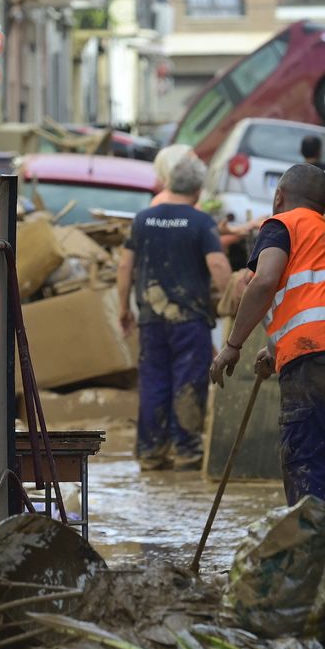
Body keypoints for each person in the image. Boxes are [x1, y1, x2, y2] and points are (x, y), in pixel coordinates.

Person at [210, 163, 325, 505]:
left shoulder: (281, 224)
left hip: (317, 355)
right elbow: (316, 300)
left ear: (278, 197)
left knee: (308, 461)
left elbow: (265, 281)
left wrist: (232, 345)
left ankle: (310, 552)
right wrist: (276, 350)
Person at [118, 158, 232, 471]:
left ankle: (152, 452)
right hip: (189, 321)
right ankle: (187, 451)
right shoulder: (201, 222)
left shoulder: (142, 220)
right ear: (198, 190)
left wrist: (123, 308)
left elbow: (125, 265)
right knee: (188, 381)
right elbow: (219, 266)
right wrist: (233, 302)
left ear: (168, 184)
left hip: (152, 319)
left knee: (154, 381)